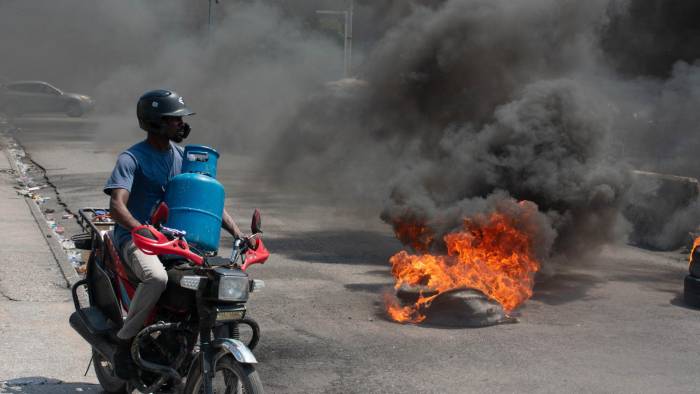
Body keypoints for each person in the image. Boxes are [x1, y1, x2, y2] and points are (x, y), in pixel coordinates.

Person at [104, 89, 243, 378]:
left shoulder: (183, 158)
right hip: (137, 239)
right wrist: (139, 228)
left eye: (182, 120)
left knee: (216, 279)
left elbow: (209, 201)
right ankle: (124, 341)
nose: (181, 124)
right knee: (157, 277)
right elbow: (117, 206)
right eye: (175, 119)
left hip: (175, 241)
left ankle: (188, 340)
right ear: (155, 122)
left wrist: (240, 234)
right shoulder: (132, 158)